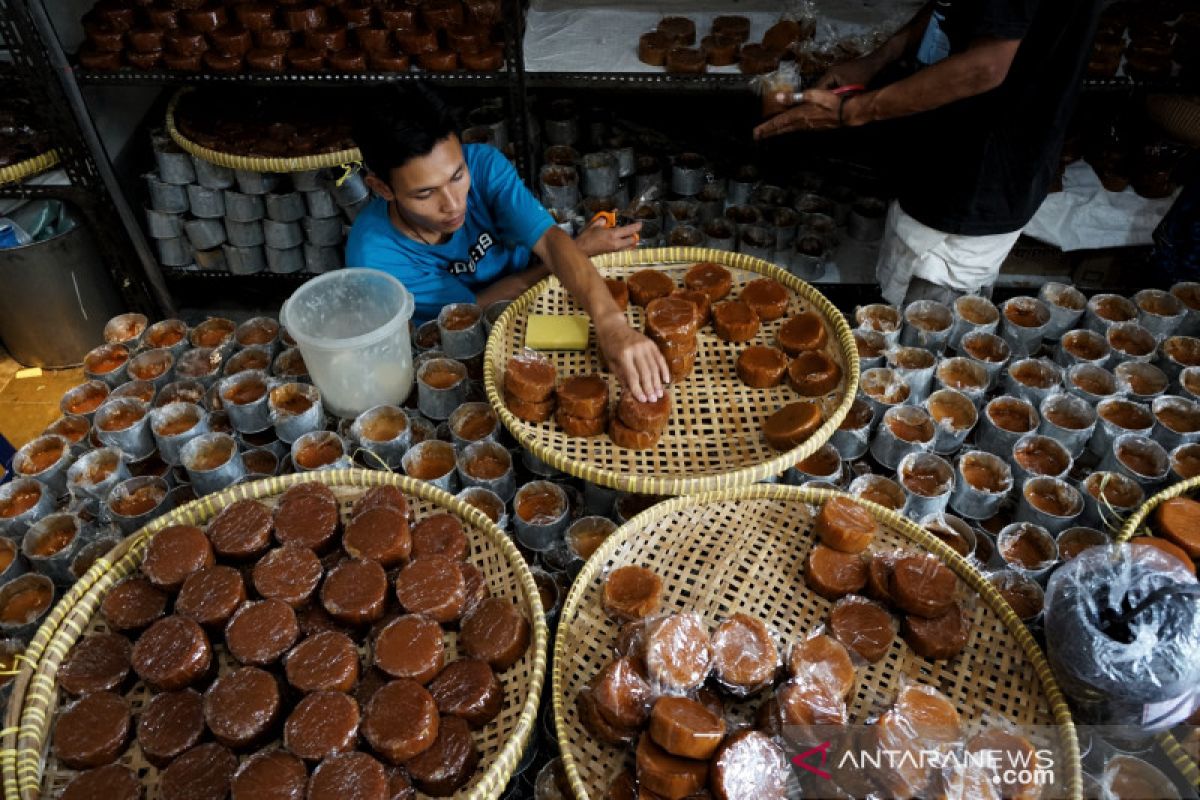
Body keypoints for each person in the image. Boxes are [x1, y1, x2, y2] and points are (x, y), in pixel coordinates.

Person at [755, 0, 1103, 306]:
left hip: (978, 174)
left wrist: (853, 111)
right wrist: (881, 56)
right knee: (897, 303)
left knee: (925, 338)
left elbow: (987, 66)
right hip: (942, 158)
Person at [348, 85, 668, 402]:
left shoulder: (485, 165)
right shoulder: (376, 258)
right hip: (471, 343)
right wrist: (575, 252)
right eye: (425, 193)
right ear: (382, 188)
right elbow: (470, 312)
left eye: (457, 176)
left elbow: (550, 239)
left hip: (537, 298)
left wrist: (613, 325)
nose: (453, 204)